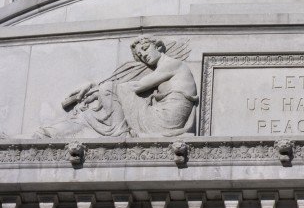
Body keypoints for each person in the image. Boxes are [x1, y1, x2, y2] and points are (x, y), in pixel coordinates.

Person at [36, 36, 198, 138]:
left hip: (166, 119)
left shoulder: (172, 64)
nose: (144, 56)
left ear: (159, 47)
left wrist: (101, 88)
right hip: (164, 115)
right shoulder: (164, 67)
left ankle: (118, 132)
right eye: (140, 55)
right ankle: (77, 127)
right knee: (100, 105)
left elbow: (138, 86)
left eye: (146, 49)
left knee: (109, 91)